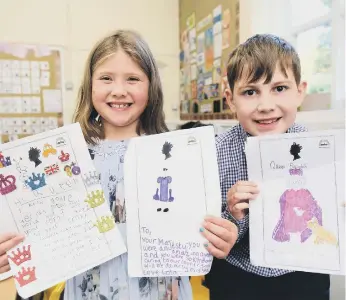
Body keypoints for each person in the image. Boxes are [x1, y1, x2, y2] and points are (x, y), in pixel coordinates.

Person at [204, 34, 330, 300]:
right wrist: (232, 217)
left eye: (279, 88)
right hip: (237, 278)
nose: (265, 106)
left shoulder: (323, 152)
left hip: (306, 273)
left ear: (300, 91)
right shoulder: (214, 154)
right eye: (250, 92)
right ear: (230, 99)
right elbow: (204, 232)